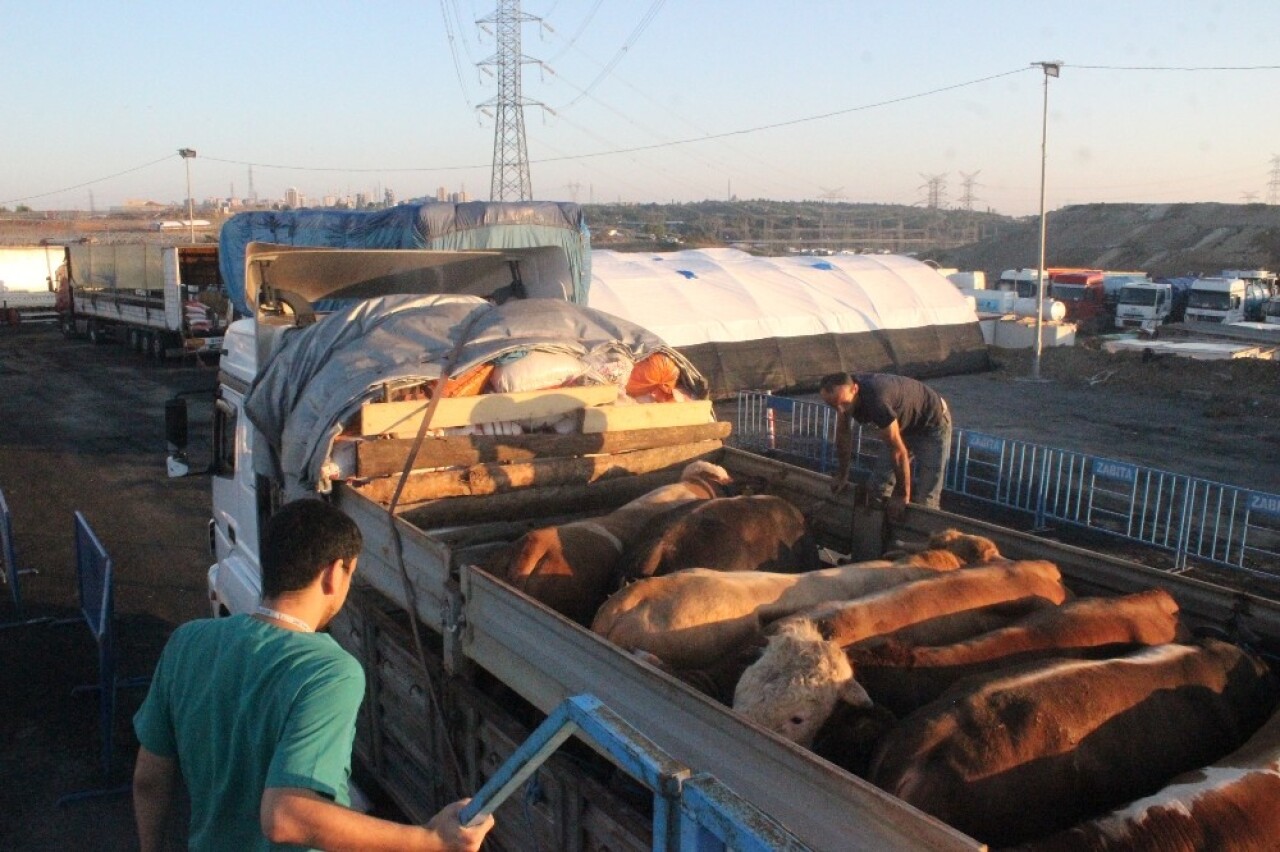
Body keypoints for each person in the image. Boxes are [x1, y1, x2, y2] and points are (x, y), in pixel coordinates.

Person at [132, 499, 494, 852]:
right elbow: (285, 817)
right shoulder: (330, 672)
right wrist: (427, 840)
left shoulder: (188, 641)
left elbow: (149, 780)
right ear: (334, 574)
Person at [818, 372, 952, 520]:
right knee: (878, 487)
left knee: (926, 498)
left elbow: (899, 452)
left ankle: (924, 538)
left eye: (844, 404)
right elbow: (843, 435)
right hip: (900, 425)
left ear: (855, 389)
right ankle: (875, 531)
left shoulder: (876, 399)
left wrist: (901, 494)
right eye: (834, 406)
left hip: (931, 425)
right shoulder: (844, 399)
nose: (841, 410)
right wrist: (842, 474)